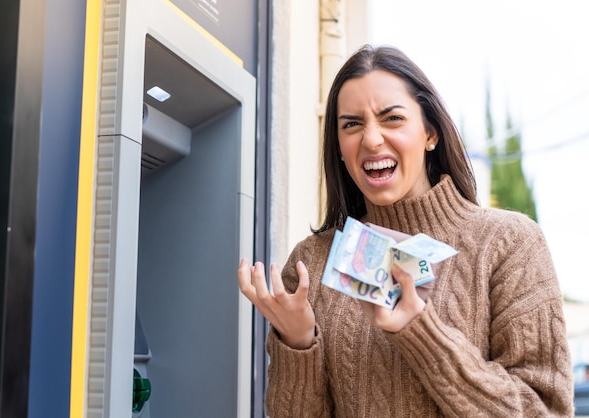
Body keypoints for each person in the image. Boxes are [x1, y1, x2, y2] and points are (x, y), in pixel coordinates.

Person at [237, 44, 574, 417]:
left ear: (430, 132)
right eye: (351, 124)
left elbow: (545, 411)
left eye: (392, 118)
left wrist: (421, 331)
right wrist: (298, 344)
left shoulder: (509, 244)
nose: (371, 139)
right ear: (339, 147)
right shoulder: (312, 263)